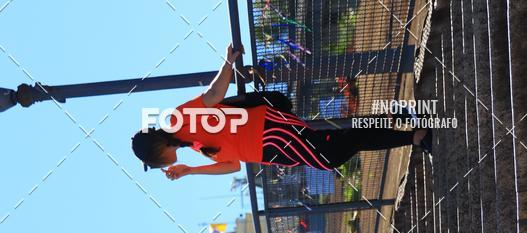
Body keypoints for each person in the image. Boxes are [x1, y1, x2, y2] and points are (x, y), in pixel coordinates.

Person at [130, 44, 433, 179]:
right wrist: (191, 171)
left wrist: (227, 62)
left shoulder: (179, 120)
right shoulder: (194, 148)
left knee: (331, 156)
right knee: (334, 151)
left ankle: (414, 135)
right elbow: (233, 166)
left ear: (156, 150)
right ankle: (404, 124)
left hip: (270, 131)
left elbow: (213, 95)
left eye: (156, 163)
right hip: (271, 151)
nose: (163, 167)